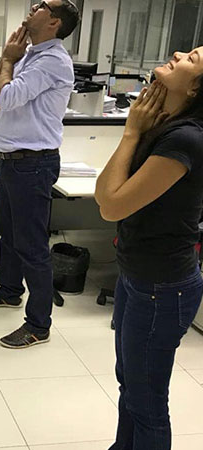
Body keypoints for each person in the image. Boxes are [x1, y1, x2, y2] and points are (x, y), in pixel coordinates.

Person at [95, 49, 203, 449]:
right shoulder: (166, 126)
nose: (178, 53)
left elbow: (111, 206)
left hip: (162, 287)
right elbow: (105, 194)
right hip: (138, 277)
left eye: (191, 58)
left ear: (195, 88)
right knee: (131, 385)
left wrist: (130, 133)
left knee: (147, 403)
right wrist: (138, 129)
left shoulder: (186, 138)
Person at [0, 0, 80, 349]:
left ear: (54, 22)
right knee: (7, 234)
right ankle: (9, 292)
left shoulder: (52, 60)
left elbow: (7, 99)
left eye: (43, 6)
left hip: (33, 163)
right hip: (13, 161)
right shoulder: (29, 55)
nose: (34, 6)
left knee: (32, 246)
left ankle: (38, 325)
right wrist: (8, 58)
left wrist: (8, 59)